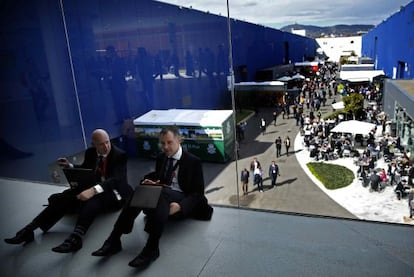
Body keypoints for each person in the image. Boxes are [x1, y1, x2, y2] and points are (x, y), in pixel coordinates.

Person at [91, 126, 213, 268]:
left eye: (169, 142)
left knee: (158, 192)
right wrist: (147, 181)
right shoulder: (162, 158)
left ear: (179, 140)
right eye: (162, 143)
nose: (165, 147)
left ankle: (148, 247)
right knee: (141, 190)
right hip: (163, 197)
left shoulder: (193, 161)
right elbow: (158, 176)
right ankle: (116, 240)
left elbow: (198, 194)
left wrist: (180, 206)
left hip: (183, 199)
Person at [4, 129, 133, 253]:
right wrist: (70, 166)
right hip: (93, 186)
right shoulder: (90, 153)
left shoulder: (119, 155)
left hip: (114, 193)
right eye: (101, 144)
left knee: (92, 200)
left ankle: (76, 238)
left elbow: (115, 180)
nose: (106, 146)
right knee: (64, 197)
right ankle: (29, 230)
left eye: (107, 142)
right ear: (94, 144)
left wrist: (93, 190)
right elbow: (86, 170)